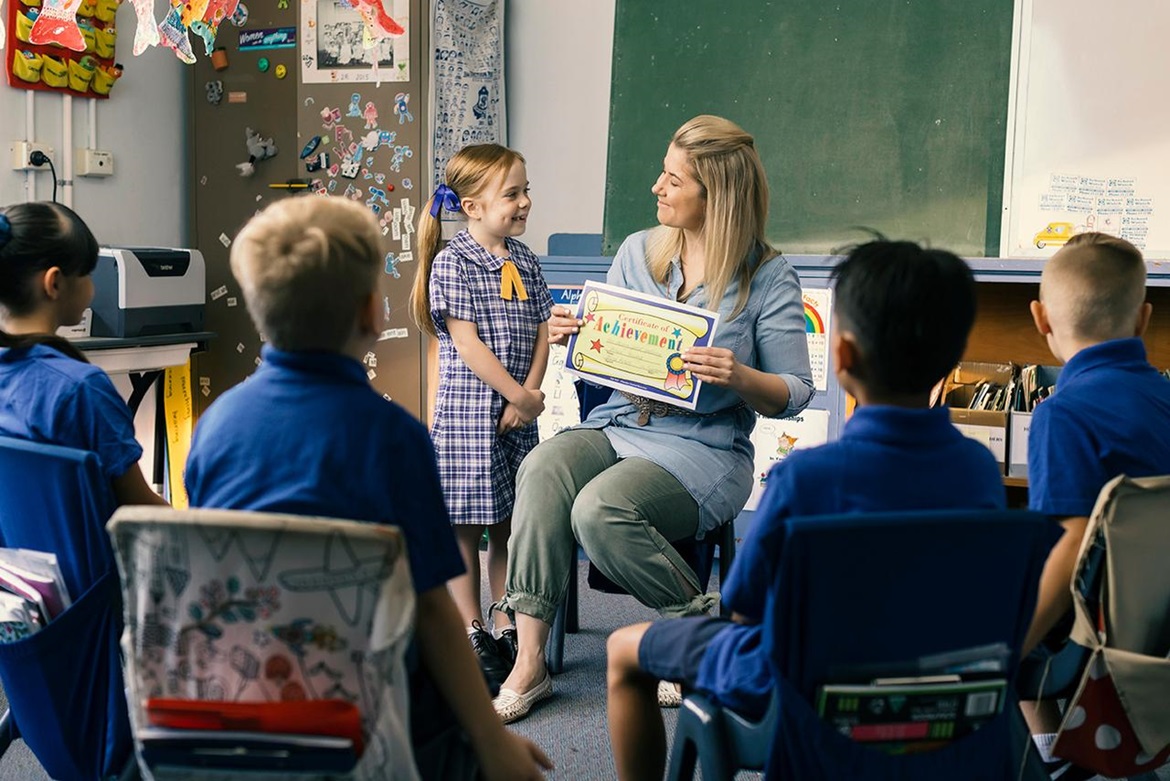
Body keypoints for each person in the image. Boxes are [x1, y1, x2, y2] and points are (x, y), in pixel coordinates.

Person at [607, 239, 1009, 780]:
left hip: (801, 693)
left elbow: (744, 610)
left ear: (841, 358)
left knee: (623, 650)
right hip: (936, 694)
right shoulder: (978, 472)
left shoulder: (806, 479)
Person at [185, 196, 552, 781]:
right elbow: (433, 609)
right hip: (369, 693)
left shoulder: (214, 427)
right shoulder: (392, 438)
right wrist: (491, 740)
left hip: (242, 683)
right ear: (372, 314)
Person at [491, 114, 815, 724]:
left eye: (672, 180)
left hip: (704, 449)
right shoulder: (640, 251)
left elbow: (795, 391)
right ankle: (528, 659)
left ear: (713, 197)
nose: (656, 188)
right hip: (620, 423)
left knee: (599, 509)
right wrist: (576, 339)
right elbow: (605, 362)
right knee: (542, 468)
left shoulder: (769, 278)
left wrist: (738, 376)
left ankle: (694, 632)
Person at [1020, 232, 1170, 766]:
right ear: (1144, 319)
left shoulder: (1062, 413)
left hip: (1102, 636)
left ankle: (1051, 761)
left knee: (1005, 611)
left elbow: (1071, 544)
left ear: (1041, 319)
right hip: (1162, 623)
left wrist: (1010, 644)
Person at [408, 143, 551, 695]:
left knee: (510, 525)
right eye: (512, 193)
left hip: (518, 413)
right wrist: (515, 393)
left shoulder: (526, 260)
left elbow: (542, 330)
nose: (524, 202)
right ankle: (471, 630)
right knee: (466, 529)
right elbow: (465, 345)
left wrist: (529, 395)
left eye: (525, 190)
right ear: (472, 206)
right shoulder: (453, 262)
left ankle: (507, 622)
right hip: (470, 415)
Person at [0, 201, 165, 508]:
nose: (93, 286)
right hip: (97, 558)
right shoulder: (82, 390)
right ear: (55, 283)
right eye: (87, 273)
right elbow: (142, 511)